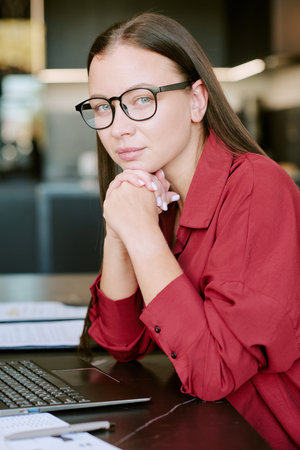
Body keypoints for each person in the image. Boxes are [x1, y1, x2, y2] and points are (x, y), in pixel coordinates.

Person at [76, 12, 300, 450]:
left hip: (266, 435)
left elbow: (213, 372)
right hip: (204, 422)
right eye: (103, 106)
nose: (118, 127)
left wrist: (141, 233)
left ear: (197, 100)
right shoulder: (155, 190)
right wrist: (120, 231)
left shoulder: (256, 186)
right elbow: (120, 343)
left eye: (141, 99)